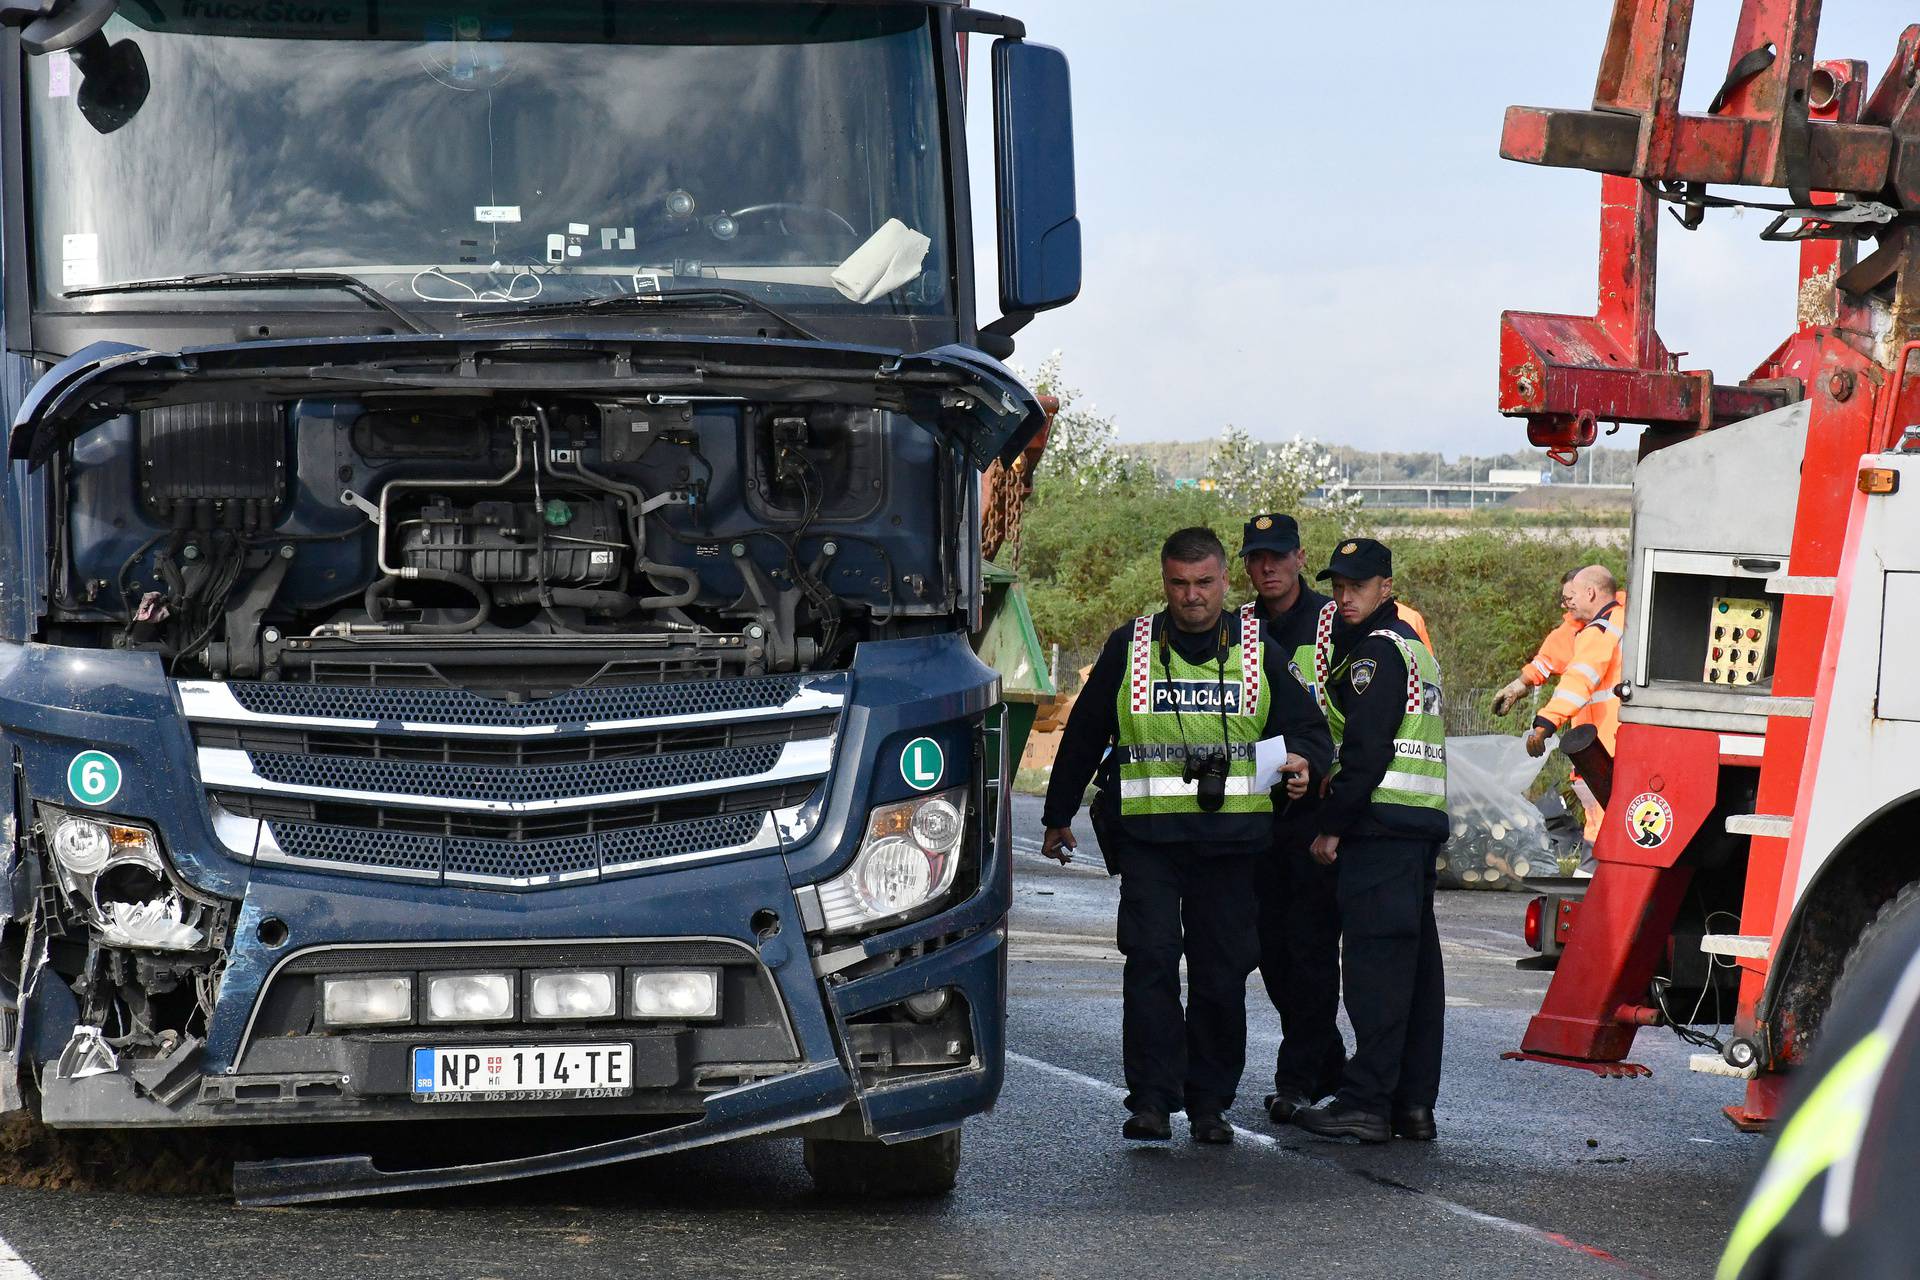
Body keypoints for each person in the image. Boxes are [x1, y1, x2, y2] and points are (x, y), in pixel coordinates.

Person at [1041, 526, 1333, 1145]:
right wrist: (1057, 814)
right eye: (1179, 583)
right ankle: (1150, 1099)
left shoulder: (1255, 648)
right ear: (1164, 581)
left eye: (1204, 583)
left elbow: (1310, 730)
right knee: (1148, 964)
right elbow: (1087, 729)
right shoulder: (1133, 646)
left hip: (1232, 847)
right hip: (1151, 842)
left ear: (1226, 581)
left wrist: (1305, 762)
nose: (1192, 596)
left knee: (1220, 976)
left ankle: (1209, 1104)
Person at [1293, 538, 1448, 1145]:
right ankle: (1411, 1104)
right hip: (1413, 832)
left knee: (1375, 975)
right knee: (1413, 977)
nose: (1345, 597)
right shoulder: (1413, 651)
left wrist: (1332, 824)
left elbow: (1366, 752)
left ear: (1386, 587)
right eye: (1337, 586)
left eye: (1357, 586)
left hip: (1382, 831)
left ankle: (1364, 1102)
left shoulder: (1376, 657)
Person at [1237, 513, 1347, 1122]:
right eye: (1257, 558)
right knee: (1270, 949)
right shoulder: (1240, 628)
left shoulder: (1333, 622)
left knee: (1307, 948)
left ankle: (1299, 1077)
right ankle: (1327, 1062)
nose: (1268, 567)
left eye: (1278, 555)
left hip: (1315, 806)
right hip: (1255, 807)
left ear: (1301, 557)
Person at [1492, 569, 1625, 848]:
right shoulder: (1618, 619)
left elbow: (1577, 681)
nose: (1568, 604)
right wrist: (1519, 685)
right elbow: (1548, 661)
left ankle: (1593, 884)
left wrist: (1544, 724)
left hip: (1607, 745)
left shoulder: (1598, 629)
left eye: (1571, 597)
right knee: (1603, 822)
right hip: (1611, 742)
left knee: (1603, 829)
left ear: (1589, 593)